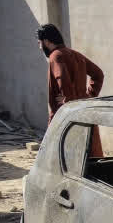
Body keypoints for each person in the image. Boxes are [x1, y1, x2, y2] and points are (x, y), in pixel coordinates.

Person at [38, 24, 105, 157]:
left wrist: (68, 100)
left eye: (39, 43)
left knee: (67, 159)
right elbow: (98, 74)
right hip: (84, 110)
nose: (39, 47)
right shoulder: (74, 54)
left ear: (46, 41)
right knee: (91, 155)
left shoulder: (56, 56)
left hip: (68, 116)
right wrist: (88, 96)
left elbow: (62, 80)